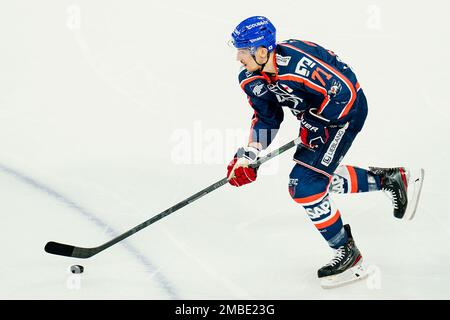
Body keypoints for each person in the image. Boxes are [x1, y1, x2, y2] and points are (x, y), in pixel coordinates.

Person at [226, 16, 425, 287]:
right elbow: (267, 118)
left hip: (345, 115)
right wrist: (249, 153)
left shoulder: (300, 64)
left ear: (262, 51)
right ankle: (392, 180)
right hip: (316, 120)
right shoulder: (250, 78)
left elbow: (346, 94)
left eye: (242, 50)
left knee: (305, 185)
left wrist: (318, 122)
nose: (238, 57)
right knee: (316, 180)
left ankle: (349, 257)